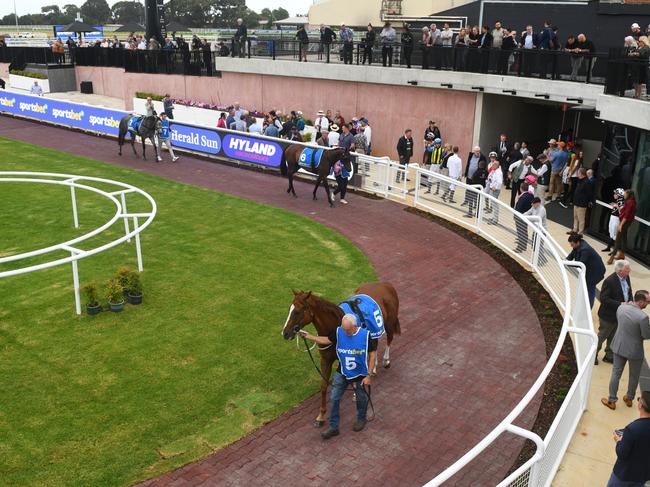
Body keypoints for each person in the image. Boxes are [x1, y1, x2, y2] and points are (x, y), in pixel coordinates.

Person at [299, 314, 376, 439]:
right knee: (334, 398)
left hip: (359, 374)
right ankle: (333, 427)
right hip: (342, 372)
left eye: (347, 330)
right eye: (343, 329)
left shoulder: (365, 336)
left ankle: (361, 419)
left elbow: (372, 354)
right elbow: (326, 340)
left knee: (361, 398)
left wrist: (369, 375)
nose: (344, 332)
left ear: (355, 327)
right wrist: (309, 336)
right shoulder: (339, 332)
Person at [601, 290, 650, 410]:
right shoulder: (643, 317)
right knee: (634, 376)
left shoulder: (621, 308)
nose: (648, 304)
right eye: (648, 301)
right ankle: (629, 398)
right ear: (641, 301)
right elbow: (646, 335)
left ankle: (612, 400)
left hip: (619, 346)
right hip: (635, 351)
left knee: (616, 373)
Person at [606, 390, 650, 486]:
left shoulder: (632, 429)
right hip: (643, 475)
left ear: (640, 405)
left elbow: (622, 453)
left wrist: (618, 441)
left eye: (639, 399)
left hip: (624, 475)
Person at [596, 260, 633, 365]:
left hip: (619, 315)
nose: (630, 270)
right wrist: (621, 304)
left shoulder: (626, 277)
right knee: (602, 336)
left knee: (614, 336)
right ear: (620, 271)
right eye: (627, 269)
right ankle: (593, 355)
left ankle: (608, 356)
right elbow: (604, 298)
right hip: (608, 316)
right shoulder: (609, 281)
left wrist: (630, 300)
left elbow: (629, 291)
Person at [566, 233, 606, 307]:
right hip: (589, 270)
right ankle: (584, 304)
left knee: (590, 289)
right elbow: (571, 256)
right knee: (586, 287)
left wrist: (567, 263)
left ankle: (588, 308)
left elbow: (580, 264)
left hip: (595, 272)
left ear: (577, 242)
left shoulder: (585, 249)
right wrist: (566, 261)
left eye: (572, 244)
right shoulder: (577, 246)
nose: (571, 246)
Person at [609, 190, 637, 264]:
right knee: (624, 237)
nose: (623, 195)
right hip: (626, 221)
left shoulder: (630, 202)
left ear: (628, 194)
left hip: (625, 222)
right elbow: (623, 212)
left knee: (618, 239)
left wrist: (621, 225)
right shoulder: (631, 201)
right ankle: (622, 254)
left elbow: (626, 215)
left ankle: (612, 256)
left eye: (625, 194)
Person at [569, 168, 593, 236]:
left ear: (581, 173)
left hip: (582, 204)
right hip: (576, 202)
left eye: (578, 173)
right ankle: (574, 229)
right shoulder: (580, 180)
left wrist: (585, 202)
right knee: (575, 217)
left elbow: (589, 194)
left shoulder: (587, 182)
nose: (577, 174)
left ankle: (580, 232)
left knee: (581, 219)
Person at [514, 182, 535, 252]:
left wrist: (515, 215)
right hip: (527, 216)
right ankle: (524, 246)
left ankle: (520, 247)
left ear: (521, 189)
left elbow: (518, 208)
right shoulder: (531, 195)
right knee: (524, 231)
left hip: (520, 217)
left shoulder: (523, 197)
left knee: (520, 232)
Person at [603, 189, 626, 254]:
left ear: (619, 195)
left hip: (616, 218)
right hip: (613, 217)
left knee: (615, 234)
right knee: (611, 232)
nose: (614, 195)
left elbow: (621, 212)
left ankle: (615, 250)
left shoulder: (621, 201)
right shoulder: (618, 200)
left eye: (615, 193)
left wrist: (616, 206)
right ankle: (609, 247)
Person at [485, 158, 503, 224]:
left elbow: (500, 182)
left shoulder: (498, 172)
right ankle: (494, 218)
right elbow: (491, 177)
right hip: (492, 189)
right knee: (493, 204)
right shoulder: (494, 171)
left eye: (493, 165)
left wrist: (495, 187)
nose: (492, 166)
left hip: (495, 190)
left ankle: (495, 220)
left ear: (497, 165)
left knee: (495, 205)